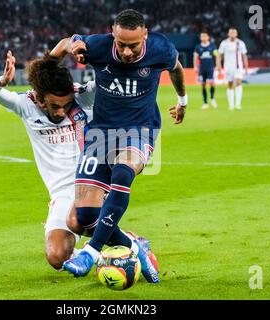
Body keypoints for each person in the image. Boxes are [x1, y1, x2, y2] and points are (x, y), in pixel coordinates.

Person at [51, 9, 188, 283]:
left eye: (133, 45)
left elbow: (176, 68)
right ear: (113, 34)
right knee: (82, 218)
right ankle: (135, 247)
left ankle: (90, 252)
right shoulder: (99, 46)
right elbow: (67, 43)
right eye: (121, 45)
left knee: (123, 171)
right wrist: (68, 48)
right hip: (101, 132)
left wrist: (182, 100)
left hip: (140, 129)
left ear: (145, 35)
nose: (126, 52)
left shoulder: (160, 47)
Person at [0, 50, 95, 270]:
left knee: (79, 218)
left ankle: (127, 244)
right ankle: (106, 255)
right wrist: (4, 81)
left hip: (92, 183)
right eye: (55, 106)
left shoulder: (83, 96)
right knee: (56, 257)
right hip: (61, 193)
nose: (62, 111)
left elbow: (108, 79)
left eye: (67, 105)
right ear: (41, 99)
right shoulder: (25, 105)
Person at [216, 28, 248, 110]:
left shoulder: (240, 43)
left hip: (238, 67)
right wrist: (218, 65)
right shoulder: (224, 43)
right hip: (228, 67)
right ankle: (231, 105)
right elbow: (219, 55)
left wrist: (246, 66)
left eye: (234, 33)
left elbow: (244, 55)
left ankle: (238, 104)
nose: (232, 34)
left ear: (236, 34)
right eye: (231, 33)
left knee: (238, 82)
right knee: (230, 85)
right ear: (228, 34)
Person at [194, 31, 219, 110]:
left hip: (210, 68)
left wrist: (218, 65)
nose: (203, 37)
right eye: (202, 36)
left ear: (208, 37)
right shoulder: (198, 47)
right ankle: (205, 103)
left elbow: (217, 55)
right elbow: (195, 57)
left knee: (211, 83)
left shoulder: (212, 46)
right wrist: (195, 66)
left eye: (205, 36)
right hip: (202, 68)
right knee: (203, 84)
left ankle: (212, 98)